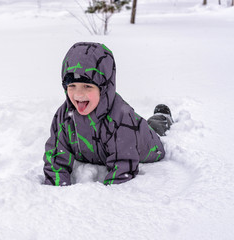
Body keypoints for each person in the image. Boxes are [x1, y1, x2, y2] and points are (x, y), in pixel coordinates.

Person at [43, 42, 173, 186]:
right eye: (72, 86)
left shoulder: (121, 119)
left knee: (153, 129)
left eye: (87, 86)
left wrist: (104, 201)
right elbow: (56, 158)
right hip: (99, 152)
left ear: (104, 87)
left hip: (143, 142)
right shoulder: (64, 116)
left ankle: (162, 118)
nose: (78, 94)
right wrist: (57, 191)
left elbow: (123, 168)